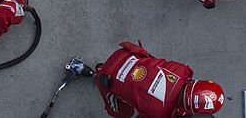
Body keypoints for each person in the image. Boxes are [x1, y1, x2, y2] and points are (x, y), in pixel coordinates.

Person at [94, 41, 224, 117]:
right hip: (108, 76)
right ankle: (99, 72)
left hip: (126, 54)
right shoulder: (161, 113)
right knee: (123, 113)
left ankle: (102, 67)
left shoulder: (183, 70)